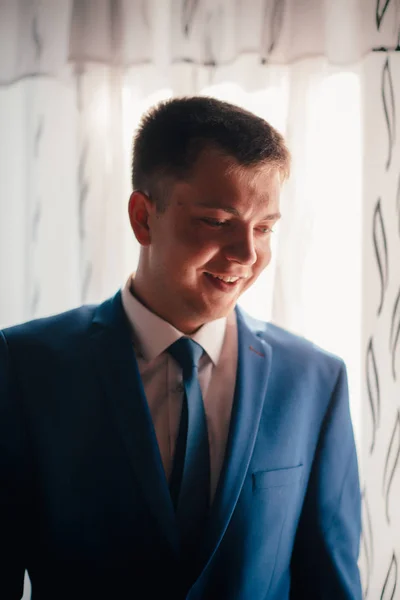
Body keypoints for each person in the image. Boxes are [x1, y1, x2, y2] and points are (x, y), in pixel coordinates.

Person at [0, 96, 362, 600]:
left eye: (264, 228)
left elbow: (329, 585)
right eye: (217, 221)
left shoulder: (316, 380)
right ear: (143, 217)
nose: (247, 255)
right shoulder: (25, 365)